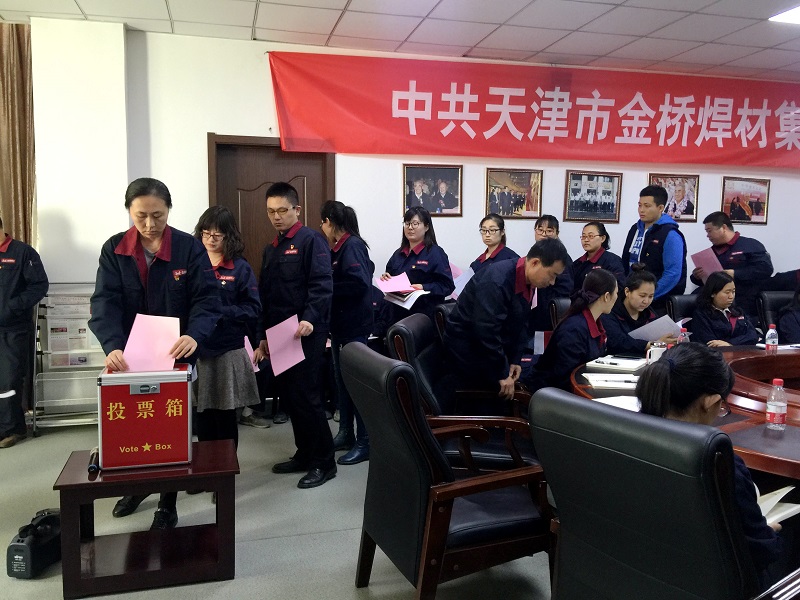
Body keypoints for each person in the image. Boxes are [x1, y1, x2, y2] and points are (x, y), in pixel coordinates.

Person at [88, 177, 220, 529]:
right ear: (129, 212)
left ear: (169, 211)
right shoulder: (115, 249)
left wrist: (194, 335)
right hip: (130, 357)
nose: (149, 224)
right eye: (141, 216)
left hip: (175, 355)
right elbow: (104, 303)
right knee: (133, 427)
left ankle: (167, 501)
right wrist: (111, 346)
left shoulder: (188, 249)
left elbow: (207, 299)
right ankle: (136, 487)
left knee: (171, 427)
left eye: (158, 216)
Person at [637, 342, 782, 591]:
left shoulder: (626, 438)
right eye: (722, 405)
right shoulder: (719, 463)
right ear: (710, 401)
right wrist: (769, 534)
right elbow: (761, 551)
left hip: (645, 571)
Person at [252, 182, 336, 489]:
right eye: (271, 211)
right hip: (279, 334)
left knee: (308, 396)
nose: (276, 217)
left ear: (296, 209)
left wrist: (310, 318)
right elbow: (266, 294)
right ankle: (304, 453)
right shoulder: (271, 248)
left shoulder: (311, 240)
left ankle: (324, 462)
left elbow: (322, 284)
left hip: (305, 332)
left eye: (282, 210)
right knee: (290, 396)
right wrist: (263, 334)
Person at [444, 238, 570, 402]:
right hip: (470, 351)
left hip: (492, 349)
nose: (552, 282)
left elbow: (522, 323)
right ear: (535, 263)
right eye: (552, 275)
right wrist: (502, 373)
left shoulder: (527, 280)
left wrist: (514, 361)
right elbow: (486, 333)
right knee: (508, 395)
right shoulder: (497, 280)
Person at [191, 206, 261, 467]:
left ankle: (226, 471)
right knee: (202, 416)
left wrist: (221, 312)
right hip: (198, 351)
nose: (210, 239)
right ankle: (207, 470)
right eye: (205, 233)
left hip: (227, 351)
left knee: (225, 417)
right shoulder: (192, 265)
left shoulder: (240, 268)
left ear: (228, 236)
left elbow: (253, 308)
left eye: (217, 234)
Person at [320, 200, 374, 466]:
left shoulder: (351, 246)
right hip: (341, 326)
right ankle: (345, 433)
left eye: (322, 222)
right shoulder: (339, 247)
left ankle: (365, 442)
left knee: (356, 385)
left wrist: (327, 287)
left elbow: (359, 283)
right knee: (342, 383)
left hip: (353, 327)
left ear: (329, 222)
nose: (321, 227)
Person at [524, 268, 617, 392]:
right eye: (616, 293)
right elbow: (564, 378)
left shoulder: (595, 322)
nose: (617, 297)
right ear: (606, 296)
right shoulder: (574, 329)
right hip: (554, 392)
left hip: (581, 386)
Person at [0, 214, 48, 449]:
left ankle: (13, 429)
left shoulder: (22, 253)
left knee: (9, 380)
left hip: (13, 328)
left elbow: (39, 285)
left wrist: (12, 307)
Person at [690, 211, 773, 320]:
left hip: (744, 298)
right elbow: (708, 281)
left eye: (709, 231)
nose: (708, 235)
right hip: (714, 301)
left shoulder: (750, 245)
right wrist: (696, 276)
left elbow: (766, 269)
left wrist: (735, 274)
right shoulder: (712, 252)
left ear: (723, 228)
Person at [382, 206, 454, 323]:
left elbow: (447, 286)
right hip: (396, 315)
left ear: (426, 227)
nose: (410, 227)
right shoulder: (398, 254)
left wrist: (423, 287)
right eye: (407, 223)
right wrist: (386, 278)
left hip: (422, 318)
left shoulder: (435, 253)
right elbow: (389, 275)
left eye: (415, 224)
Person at [621, 185, 687, 312]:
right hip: (632, 299)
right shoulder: (635, 229)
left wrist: (648, 296)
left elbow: (672, 274)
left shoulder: (670, 234)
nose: (641, 210)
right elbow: (625, 261)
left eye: (647, 206)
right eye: (640, 205)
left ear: (660, 208)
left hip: (657, 303)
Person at [601, 267, 676, 356]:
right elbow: (617, 342)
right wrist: (654, 344)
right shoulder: (610, 311)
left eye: (650, 296)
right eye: (642, 296)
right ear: (627, 291)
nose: (646, 301)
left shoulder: (649, 313)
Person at [526, 215, 573, 346]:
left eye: (549, 231)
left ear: (557, 234)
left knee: (540, 353)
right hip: (532, 319)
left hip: (548, 320)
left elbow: (564, 293)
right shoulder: (533, 254)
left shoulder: (561, 259)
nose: (544, 234)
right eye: (540, 230)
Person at [691, 271, 759, 347]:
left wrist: (730, 344)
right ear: (712, 293)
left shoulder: (737, 311)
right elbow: (710, 343)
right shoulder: (702, 315)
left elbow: (752, 336)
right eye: (727, 292)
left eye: (733, 292)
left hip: (743, 351)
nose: (731, 296)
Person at [569, 221, 625, 294]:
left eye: (591, 236)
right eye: (584, 236)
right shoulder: (578, 263)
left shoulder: (612, 261)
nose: (586, 240)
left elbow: (619, 288)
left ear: (602, 238)